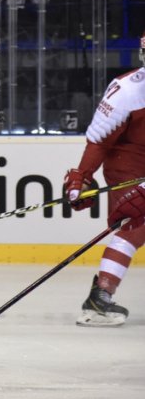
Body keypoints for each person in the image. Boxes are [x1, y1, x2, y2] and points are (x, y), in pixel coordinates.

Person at [63, 34, 145, 326]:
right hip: (128, 162)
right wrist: (82, 178)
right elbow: (98, 141)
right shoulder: (127, 91)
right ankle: (101, 296)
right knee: (137, 224)